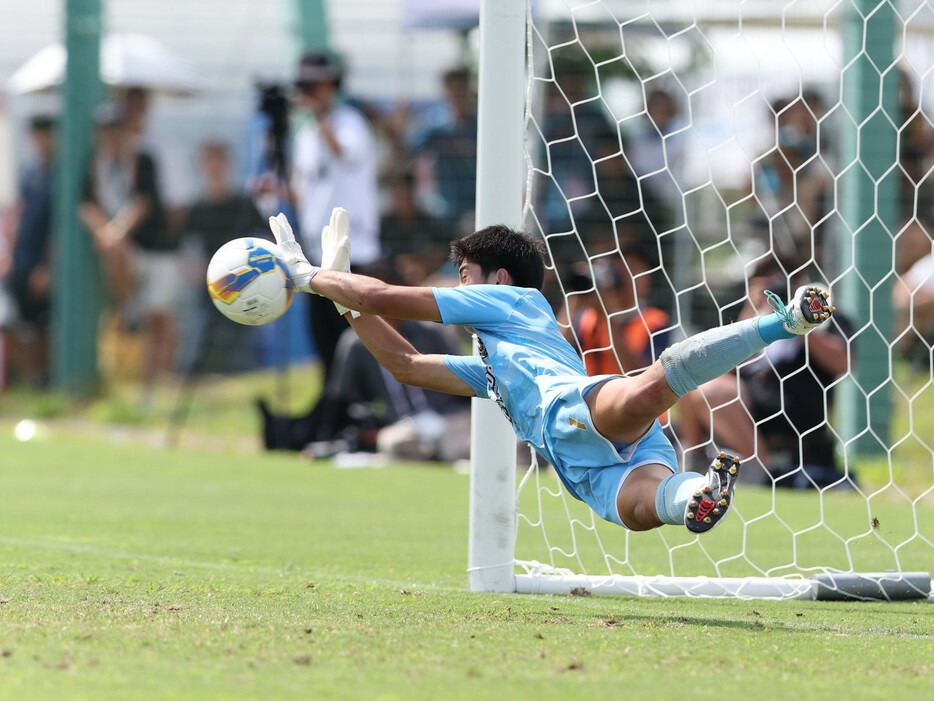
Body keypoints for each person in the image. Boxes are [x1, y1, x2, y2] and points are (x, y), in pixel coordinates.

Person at [267, 208, 836, 534]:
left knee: (647, 392)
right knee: (646, 507)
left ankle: (780, 323)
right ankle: (698, 494)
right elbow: (406, 364)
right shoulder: (493, 368)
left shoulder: (511, 304)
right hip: (584, 467)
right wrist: (344, 302)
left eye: (464, 272)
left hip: (576, 410)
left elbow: (386, 295)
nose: (458, 282)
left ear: (498, 280)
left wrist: (309, 275)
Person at [677, 259, 852, 488]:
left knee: (713, 392)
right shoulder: (754, 320)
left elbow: (844, 362)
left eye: (779, 283)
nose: (775, 291)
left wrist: (800, 321)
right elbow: (724, 364)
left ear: (798, 284)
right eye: (766, 284)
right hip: (747, 404)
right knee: (689, 382)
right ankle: (696, 462)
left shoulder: (826, 315)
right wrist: (752, 310)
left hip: (795, 408)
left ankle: (760, 469)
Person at [290, 50, 380, 383]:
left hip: (355, 251)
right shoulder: (305, 136)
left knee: (355, 340)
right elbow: (306, 188)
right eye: (305, 86)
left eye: (315, 85)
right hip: (315, 255)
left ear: (331, 85)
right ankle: (334, 414)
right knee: (325, 343)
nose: (310, 93)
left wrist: (316, 116)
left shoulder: (350, 122)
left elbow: (344, 153)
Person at [79, 102, 179, 396]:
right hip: (128, 252)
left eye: (117, 131)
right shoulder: (94, 164)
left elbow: (143, 202)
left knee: (158, 318)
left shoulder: (143, 160)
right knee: (116, 255)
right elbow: (86, 204)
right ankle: (127, 305)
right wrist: (106, 232)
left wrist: (115, 230)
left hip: (159, 250)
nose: (113, 138)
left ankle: (152, 388)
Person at [183, 141, 267, 373]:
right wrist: (191, 268)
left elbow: (266, 236)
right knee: (207, 335)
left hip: (246, 284)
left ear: (228, 164)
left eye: (218, 160)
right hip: (211, 285)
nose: (214, 167)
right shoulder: (198, 206)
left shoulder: (243, 203)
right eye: (209, 161)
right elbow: (186, 245)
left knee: (242, 340)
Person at [1, 115, 56, 385]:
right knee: (11, 323)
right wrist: (10, 254)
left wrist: (48, 266)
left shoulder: (62, 176)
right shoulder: (30, 172)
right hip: (21, 261)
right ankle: (38, 378)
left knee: (42, 328)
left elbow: (59, 227)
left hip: (41, 264)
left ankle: (47, 382)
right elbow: (20, 214)